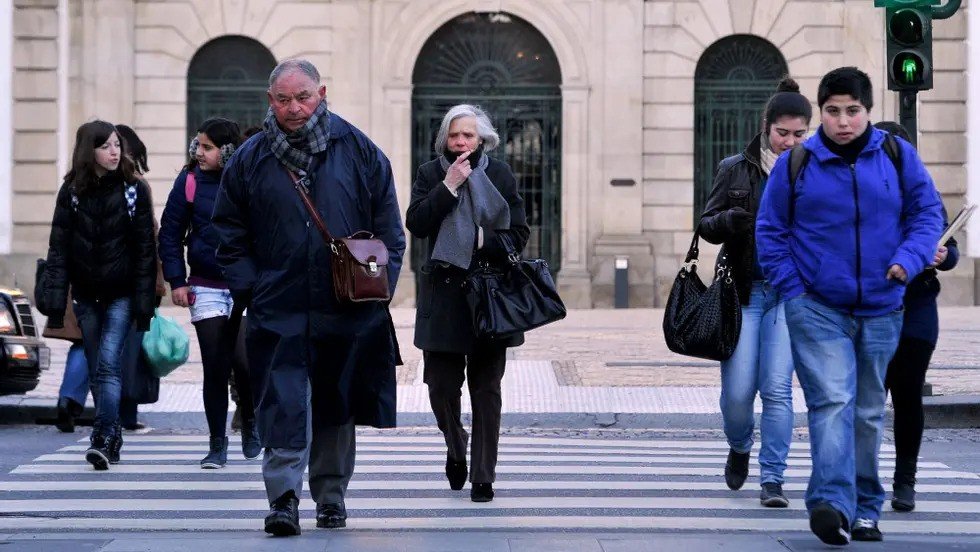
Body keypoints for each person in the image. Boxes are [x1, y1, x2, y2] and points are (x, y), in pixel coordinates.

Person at [212, 59, 405, 536]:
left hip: (346, 306)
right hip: (278, 304)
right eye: (283, 100)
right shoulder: (251, 158)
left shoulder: (361, 151)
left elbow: (389, 232)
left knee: (336, 403)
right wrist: (251, 286)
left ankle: (332, 496)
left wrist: (379, 288)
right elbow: (228, 230)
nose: (294, 109)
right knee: (281, 402)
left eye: (302, 97)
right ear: (269, 100)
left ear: (322, 92)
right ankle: (283, 498)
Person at [756, 67, 944, 544]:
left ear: (868, 112)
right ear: (822, 112)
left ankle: (865, 508)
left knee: (866, 411)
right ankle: (830, 503)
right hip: (817, 306)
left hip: (883, 306)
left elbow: (927, 214)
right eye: (834, 111)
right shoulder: (797, 162)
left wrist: (909, 258)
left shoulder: (898, 156)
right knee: (831, 401)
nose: (843, 121)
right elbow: (771, 231)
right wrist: (793, 290)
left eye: (853, 111)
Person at [405, 104, 529, 503]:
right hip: (443, 294)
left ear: (482, 140)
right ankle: (456, 446)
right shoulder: (430, 173)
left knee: (486, 389)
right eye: (455, 135)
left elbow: (519, 233)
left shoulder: (500, 175)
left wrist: (480, 241)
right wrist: (449, 185)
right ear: (445, 138)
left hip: (490, 295)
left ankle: (482, 475)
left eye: (468, 136)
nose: (461, 142)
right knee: (440, 388)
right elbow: (418, 223)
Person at [698, 78, 812, 507]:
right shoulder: (735, 168)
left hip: (789, 294)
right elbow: (706, 226)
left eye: (799, 134)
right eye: (783, 133)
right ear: (767, 126)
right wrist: (730, 219)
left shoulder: (816, 170)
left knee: (778, 389)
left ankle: (773, 479)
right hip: (742, 293)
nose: (790, 141)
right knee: (738, 394)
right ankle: (740, 444)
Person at [40, 120, 157, 470]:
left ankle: (103, 436)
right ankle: (112, 434)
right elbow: (58, 250)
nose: (114, 151)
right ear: (88, 150)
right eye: (105, 145)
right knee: (96, 367)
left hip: (120, 293)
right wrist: (56, 305)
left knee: (107, 365)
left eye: (117, 145)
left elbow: (144, 252)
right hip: (87, 296)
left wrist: (143, 304)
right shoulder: (72, 192)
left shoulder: (134, 189)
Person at [159, 117, 259, 469]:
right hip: (205, 286)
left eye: (207, 147)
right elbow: (169, 234)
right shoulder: (188, 182)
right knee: (216, 366)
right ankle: (217, 443)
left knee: (246, 363)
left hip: (245, 287)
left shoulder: (247, 180)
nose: (198, 152)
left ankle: (250, 421)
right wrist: (178, 281)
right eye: (197, 145)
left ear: (227, 151)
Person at [874, 121, 960, 513]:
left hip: (918, 308)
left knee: (908, 392)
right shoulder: (862, 196)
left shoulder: (925, 193)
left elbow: (951, 247)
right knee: (869, 398)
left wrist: (943, 255)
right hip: (873, 307)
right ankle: (862, 478)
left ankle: (904, 480)